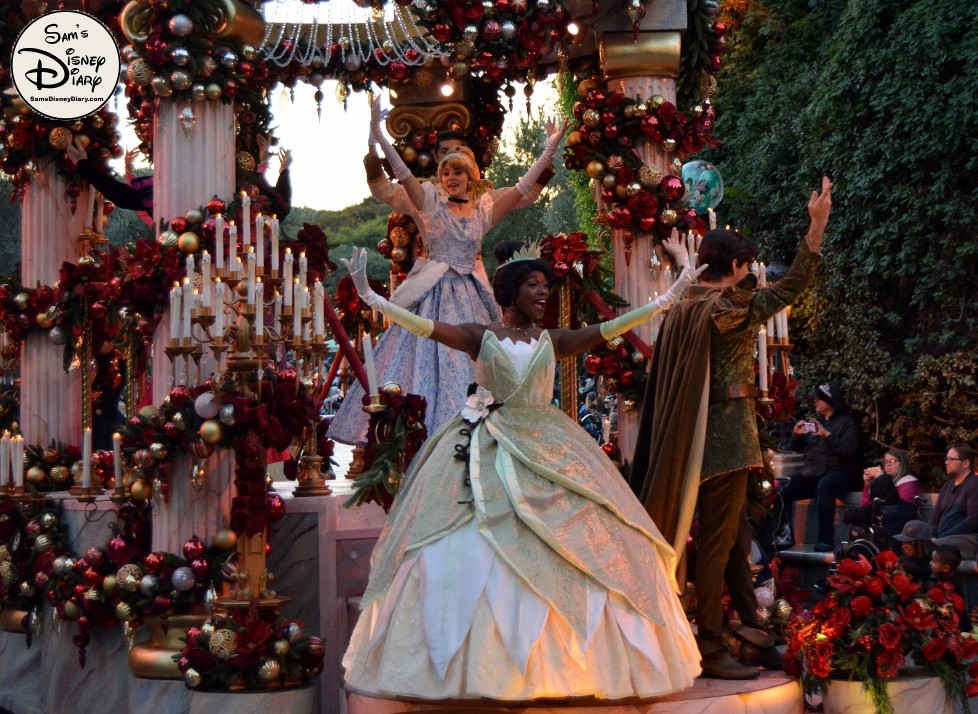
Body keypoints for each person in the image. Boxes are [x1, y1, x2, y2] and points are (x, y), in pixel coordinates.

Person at [340, 237, 706, 700]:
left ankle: (568, 664)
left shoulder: (552, 340)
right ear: (509, 292)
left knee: (595, 535)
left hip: (549, 441)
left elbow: (611, 327)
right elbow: (426, 328)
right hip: (484, 441)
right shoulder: (480, 335)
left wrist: (669, 297)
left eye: (546, 286)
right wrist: (372, 299)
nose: (543, 294)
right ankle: (469, 666)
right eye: (534, 285)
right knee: (457, 539)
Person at [629, 177, 833, 680]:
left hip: (706, 435)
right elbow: (790, 288)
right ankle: (713, 646)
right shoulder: (726, 307)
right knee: (719, 545)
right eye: (746, 268)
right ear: (738, 266)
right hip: (723, 440)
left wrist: (681, 261)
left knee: (738, 541)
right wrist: (817, 227)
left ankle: (751, 630)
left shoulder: (687, 305)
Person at [329, 98, 566, 445]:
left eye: (458, 171)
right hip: (434, 292)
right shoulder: (429, 204)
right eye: (445, 171)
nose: (451, 177)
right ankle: (428, 436)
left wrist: (548, 151)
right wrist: (378, 137)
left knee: (480, 360)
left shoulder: (484, 210)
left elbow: (520, 189)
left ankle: (488, 435)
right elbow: (402, 176)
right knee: (427, 357)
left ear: (471, 176)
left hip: (473, 292)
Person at [65, 136, 294, 219]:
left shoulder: (240, 186)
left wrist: (282, 171)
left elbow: (278, 206)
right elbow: (124, 197)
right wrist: (83, 166)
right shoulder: (174, 184)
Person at [843, 448, 920, 533]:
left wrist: (882, 480)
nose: (888, 464)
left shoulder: (909, 484)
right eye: (886, 462)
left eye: (893, 461)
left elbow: (897, 511)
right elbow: (866, 506)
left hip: (901, 531)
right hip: (881, 527)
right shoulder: (884, 482)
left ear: (902, 464)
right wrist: (867, 484)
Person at [929, 443, 978, 559]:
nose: (946, 462)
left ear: (966, 463)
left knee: (932, 548)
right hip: (943, 537)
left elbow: (973, 520)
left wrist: (942, 536)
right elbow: (934, 517)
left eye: (951, 459)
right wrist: (931, 535)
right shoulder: (947, 486)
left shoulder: (974, 484)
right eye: (946, 458)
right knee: (916, 544)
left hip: (966, 539)